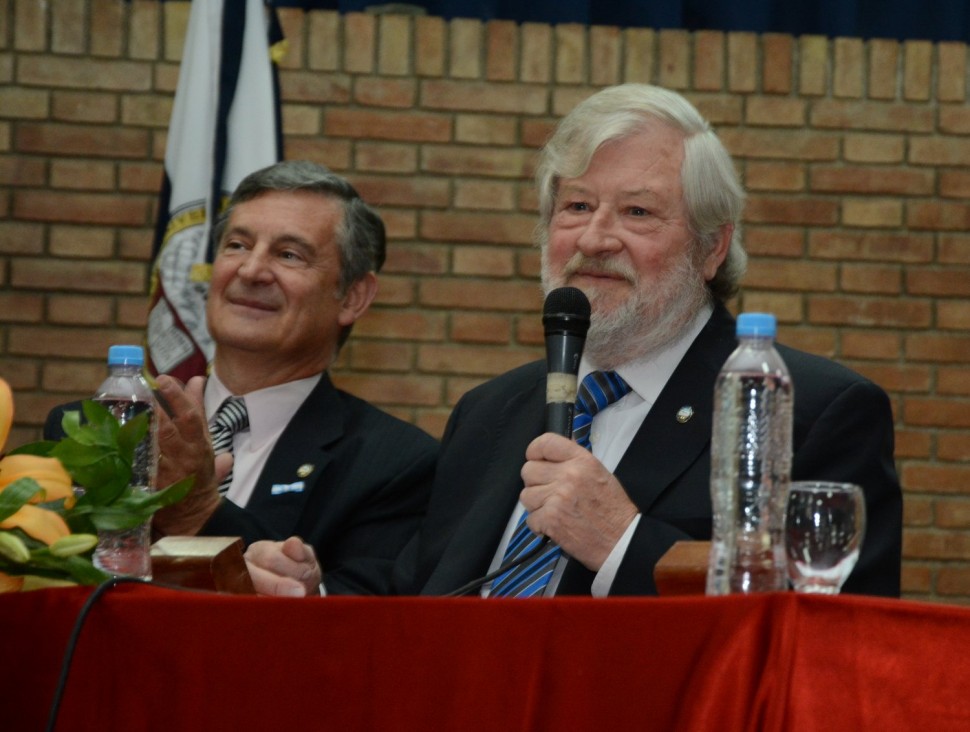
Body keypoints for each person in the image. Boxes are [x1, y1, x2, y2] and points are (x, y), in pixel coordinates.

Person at [248, 84, 903, 598]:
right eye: (577, 207)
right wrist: (319, 591)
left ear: (712, 247)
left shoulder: (813, 410)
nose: (595, 239)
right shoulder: (490, 412)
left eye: (637, 212)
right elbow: (423, 594)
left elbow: (824, 629)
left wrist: (622, 541)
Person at [48, 160, 438, 596]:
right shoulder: (97, 426)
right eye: (236, 245)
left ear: (352, 296)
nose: (251, 271)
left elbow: (363, 628)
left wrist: (201, 512)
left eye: (289, 255)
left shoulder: (396, 465)